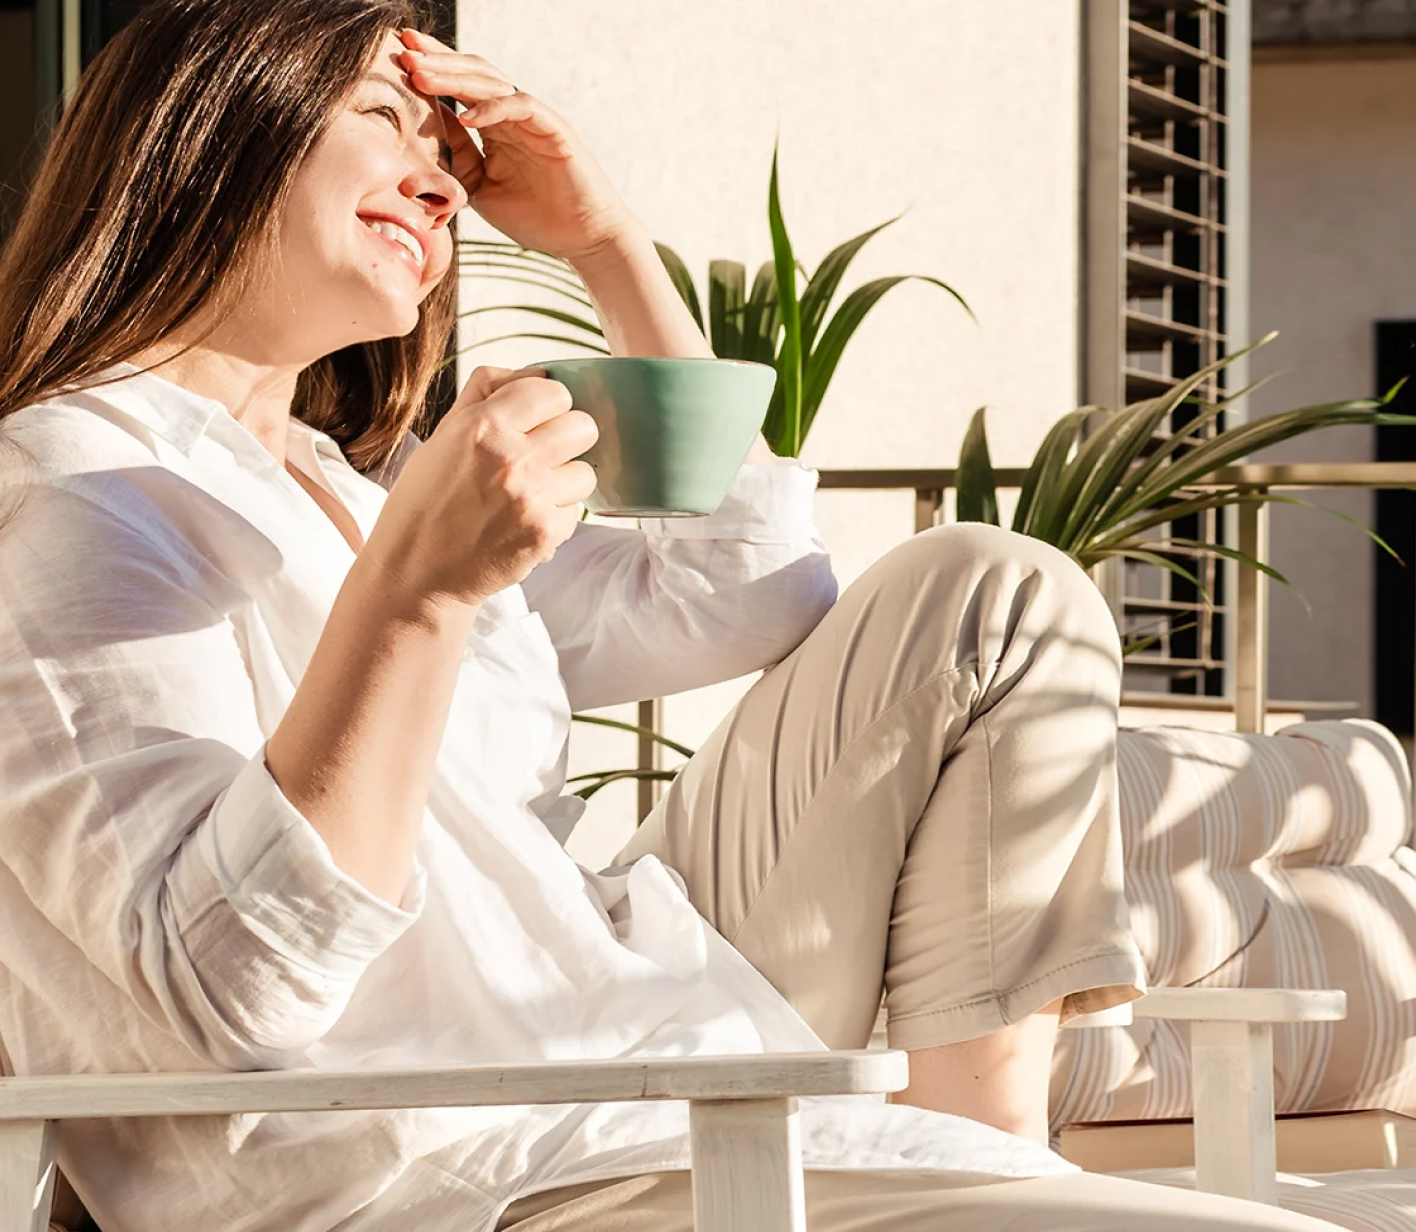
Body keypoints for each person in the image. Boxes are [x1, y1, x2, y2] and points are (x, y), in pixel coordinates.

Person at [0, 1, 1335, 1228]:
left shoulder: (358, 482)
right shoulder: (71, 484)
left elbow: (746, 593)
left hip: (644, 1060)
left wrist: (606, 241)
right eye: (383, 118)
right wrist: (416, 599)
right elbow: (230, 990)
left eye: (452, 167)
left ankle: (977, 1151)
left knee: (992, 592)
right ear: (217, 122)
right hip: (460, 1168)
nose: (438, 181)